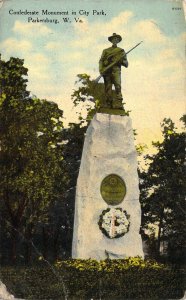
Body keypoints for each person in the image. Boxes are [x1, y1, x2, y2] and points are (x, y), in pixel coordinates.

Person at [99, 33, 128, 109]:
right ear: (111, 40)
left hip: (116, 71)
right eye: (113, 39)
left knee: (118, 86)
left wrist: (120, 61)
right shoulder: (106, 51)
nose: (115, 40)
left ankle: (119, 103)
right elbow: (101, 61)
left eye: (116, 39)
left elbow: (126, 64)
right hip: (107, 71)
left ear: (118, 41)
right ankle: (108, 103)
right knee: (108, 87)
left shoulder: (121, 51)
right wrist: (101, 70)